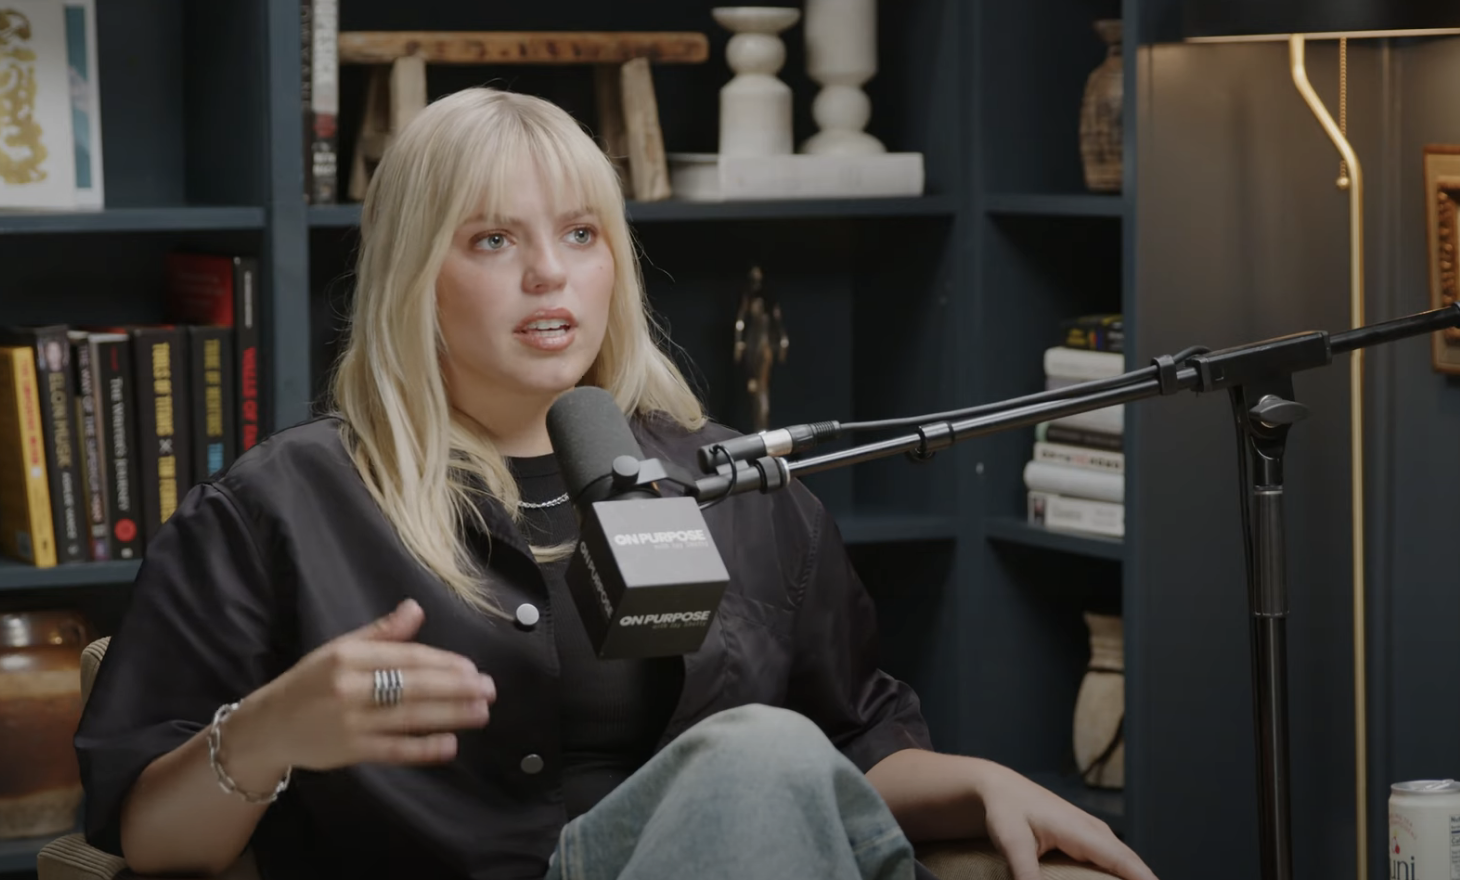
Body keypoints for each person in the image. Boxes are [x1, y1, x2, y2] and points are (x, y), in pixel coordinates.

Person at [74, 87, 1159, 880]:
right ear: (413, 275)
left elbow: (841, 754)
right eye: (494, 238)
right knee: (755, 751)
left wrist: (980, 782)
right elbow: (142, 840)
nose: (549, 272)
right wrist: (269, 733)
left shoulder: (734, 485)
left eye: (581, 234)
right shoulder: (280, 510)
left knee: (762, 757)